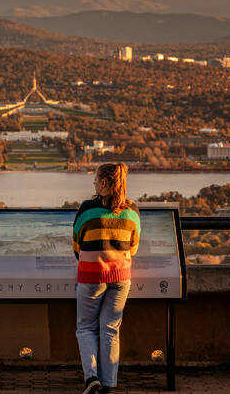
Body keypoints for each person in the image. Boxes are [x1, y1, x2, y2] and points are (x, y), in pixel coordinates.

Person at [72, 163, 140, 394]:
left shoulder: (87, 209)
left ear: (103, 182)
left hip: (92, 276)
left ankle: (91, 378)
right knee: (110, 329)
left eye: (95, 179)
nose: (93, 183)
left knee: (86, 327)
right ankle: (109, 384)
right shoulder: (132, 211)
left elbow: (76, 244)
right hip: (121, 276)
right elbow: (133, 246)